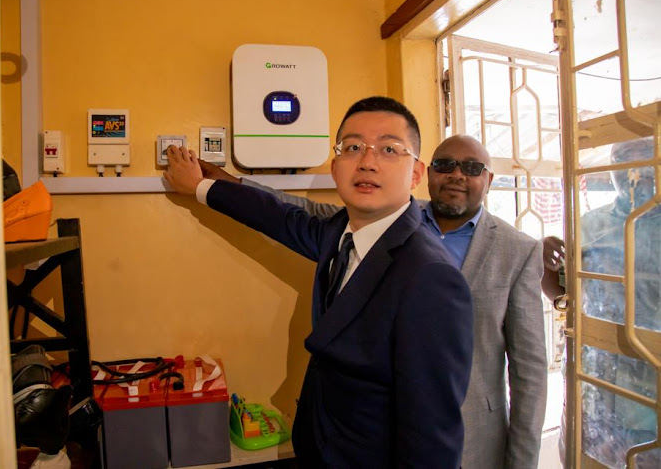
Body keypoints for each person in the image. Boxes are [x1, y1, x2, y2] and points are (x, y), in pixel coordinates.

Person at [199, 134, 548, 468]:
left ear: (489, 179)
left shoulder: (518, 251)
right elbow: (302, 211)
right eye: (445, 164)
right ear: (424, 172)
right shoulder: (387, 220)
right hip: (376, 436)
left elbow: (528, 374)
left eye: (472, 168)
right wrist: (228, 184)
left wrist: (521, 462)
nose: (457, 175)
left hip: (473, 441)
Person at [164, 96, 474, 468]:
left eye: (390, 149)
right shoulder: (338, 232)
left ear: (416, 173)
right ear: (335, 165)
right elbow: (276, 216)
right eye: (353, 147)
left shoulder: (430, 276)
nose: (368, 161)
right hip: (319, 447)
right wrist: (203, 185)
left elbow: (432, 437)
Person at [543, 136, 660, 468]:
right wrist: (545, 262)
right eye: (622, 157)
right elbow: (562, 294)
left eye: (643, 157)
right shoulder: (590, 226)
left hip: (652, 395)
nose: (632, 169)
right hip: (595, 386)